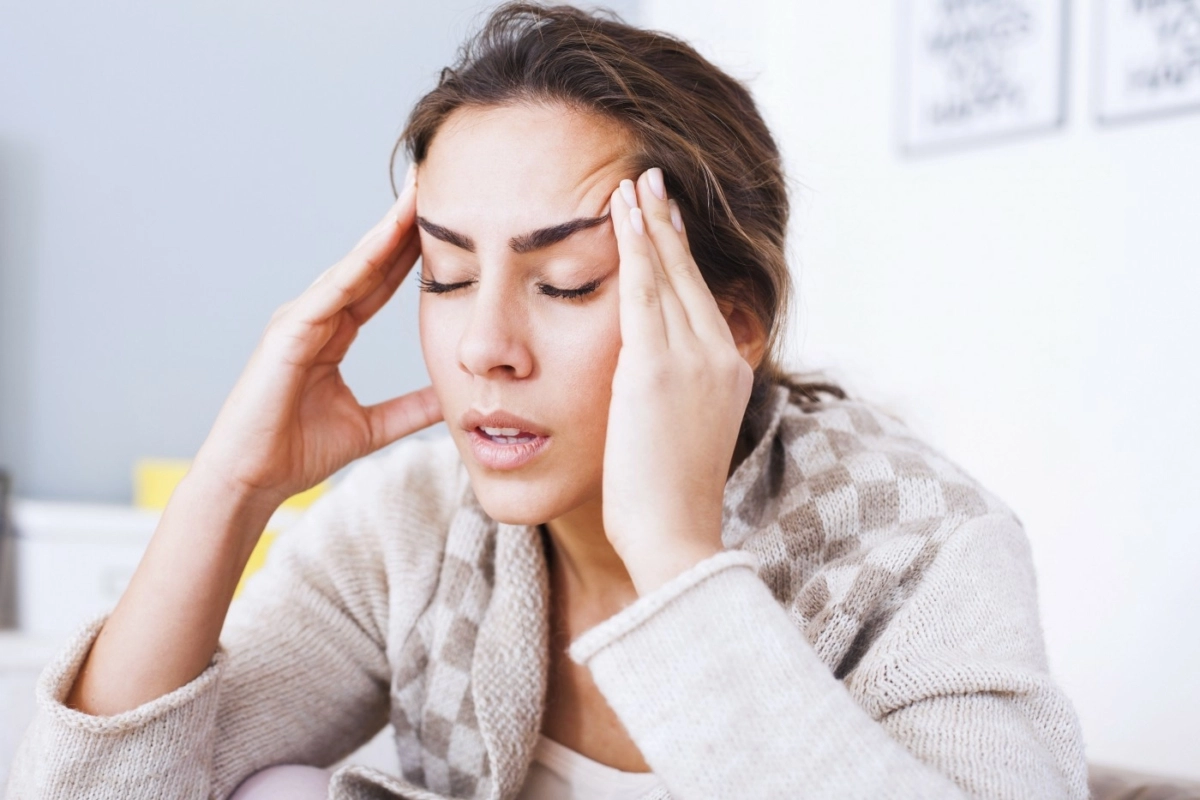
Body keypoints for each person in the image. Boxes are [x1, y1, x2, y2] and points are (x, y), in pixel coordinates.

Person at [5, 4, 1090, 799]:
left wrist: (674, 556)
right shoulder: (414, 522)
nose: (485, 347)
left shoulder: (923, 548)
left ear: (733, 324)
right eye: (446, 276)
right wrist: (233, 484)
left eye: (565, 282)